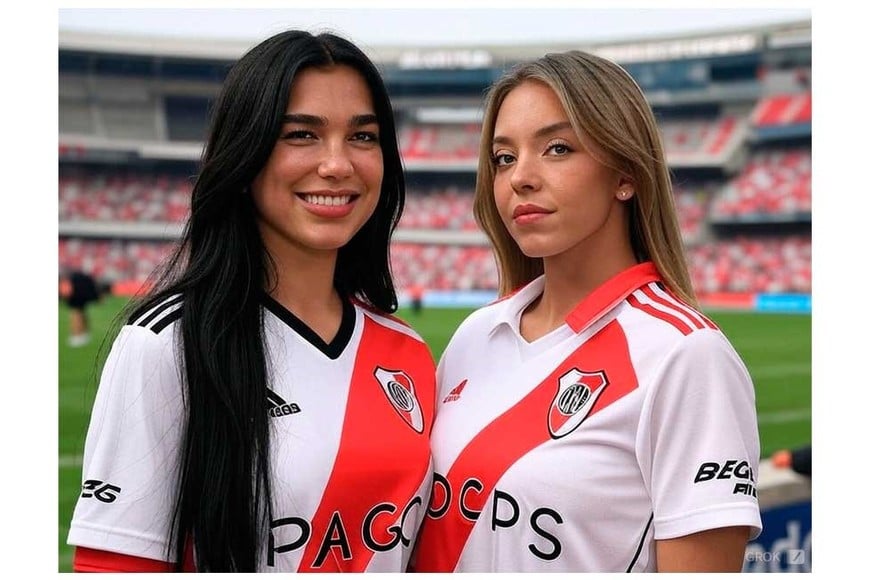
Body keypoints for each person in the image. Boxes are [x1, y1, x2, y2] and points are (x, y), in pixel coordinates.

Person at [67, 30, 436, 573]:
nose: (337, 164)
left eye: (363, 137)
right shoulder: (167, 342)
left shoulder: (408, 351)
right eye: (301, 135)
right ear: (245, 153)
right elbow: (115, 566)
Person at [412, 50, 761, 572]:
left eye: (557, 148)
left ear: (625, 174)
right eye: (504, 157)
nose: (519, 178)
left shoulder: (686, 356)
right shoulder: (476, 335)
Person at [63, 269, 101, 347]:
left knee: (76, 314)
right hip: (81, 294)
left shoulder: (73, 277)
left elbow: (67, 289)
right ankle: (83, 335)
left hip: (77, 296)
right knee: (81, 314)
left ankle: (77, 336)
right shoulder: (80, 276)